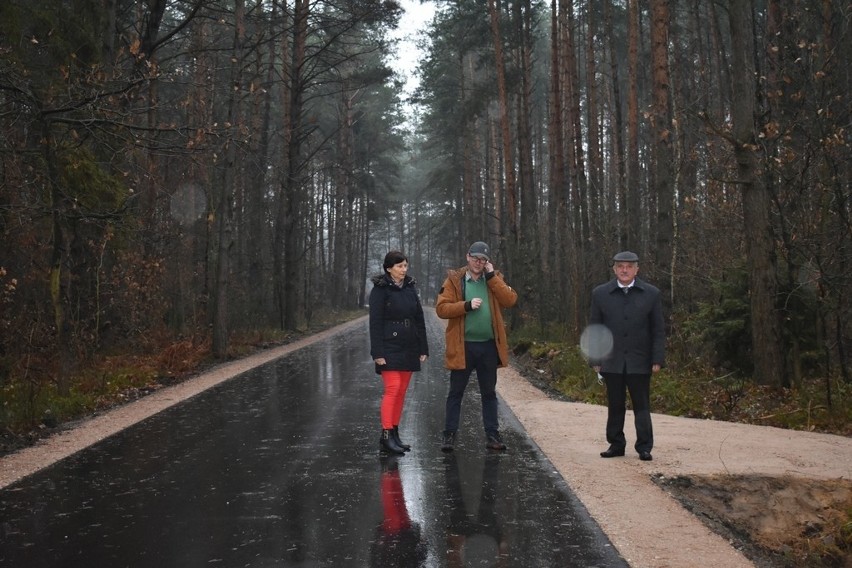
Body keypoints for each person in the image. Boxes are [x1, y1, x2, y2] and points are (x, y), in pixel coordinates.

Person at [436, 241, 518, 452]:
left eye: (483, 260)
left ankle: (493, 435)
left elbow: (510, 300)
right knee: (456, 393)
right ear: (467, 256)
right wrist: (465, 305)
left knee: (489, 393)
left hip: (488, 347)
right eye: (475, 258)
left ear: (487, 262)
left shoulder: (494, 279)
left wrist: (492, 277)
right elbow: (442, 309)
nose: (478, 262)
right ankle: (449, 436)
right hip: (463, 346)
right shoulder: (455, 280)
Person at [589, 251, 665, 461]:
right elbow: (595, 328)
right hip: (611, 360)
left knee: (641, 405)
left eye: (629, 266)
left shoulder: (651, 294)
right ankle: (616, 444)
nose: (624, 270)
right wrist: (595, 359)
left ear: (636, 269)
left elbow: (658, 329)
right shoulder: (600, 294)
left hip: (640, 360)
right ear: (614, 269)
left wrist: (657, 358)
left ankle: (644, 446)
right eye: (620, 266)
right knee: (615, 404)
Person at [369, 251, 429, 455]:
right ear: (389, 268)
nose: (404, 270)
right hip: (389, 346)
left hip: (409, 344)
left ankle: (394, 433)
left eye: (405, 266)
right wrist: (377, 352)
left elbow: (419, 318)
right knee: (393, 389)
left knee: (402, 391)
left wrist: (423, 347)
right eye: (400, 266)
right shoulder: (380, 290)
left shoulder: (410, 287)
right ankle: (386, 435)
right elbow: (375, 322)